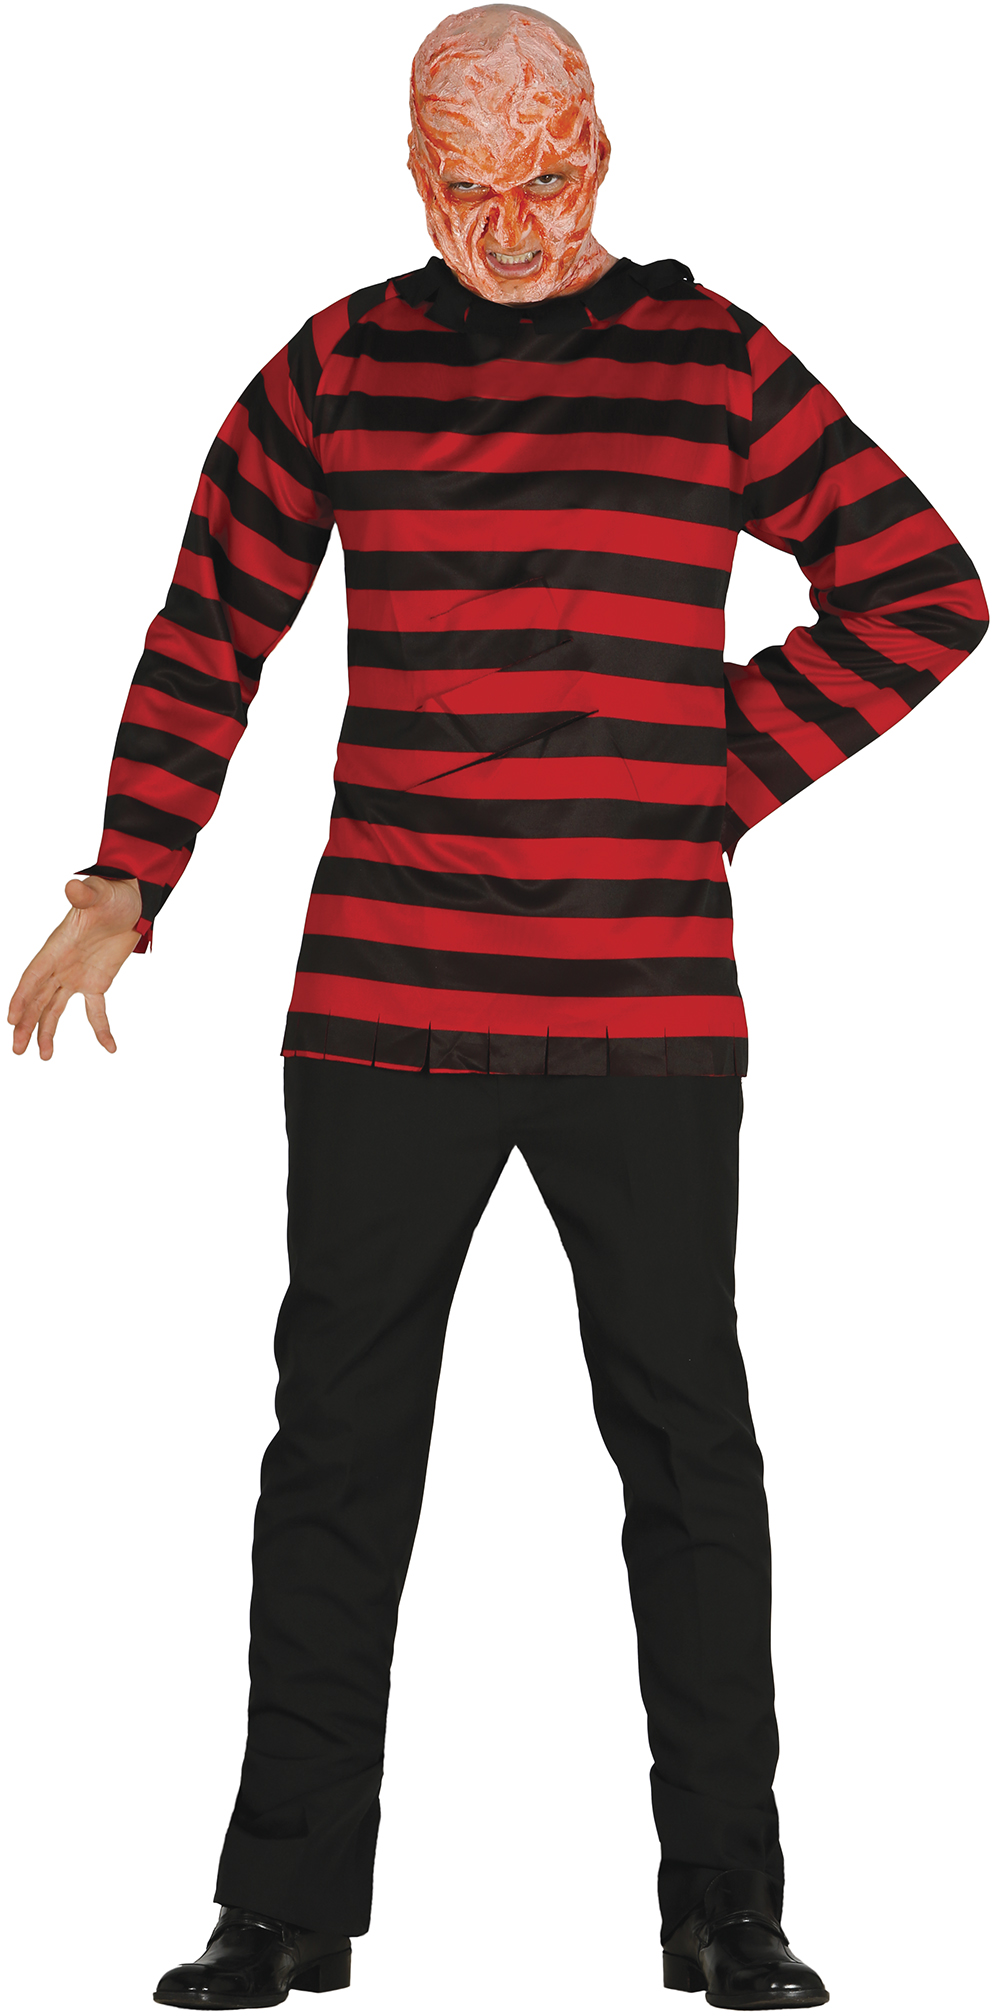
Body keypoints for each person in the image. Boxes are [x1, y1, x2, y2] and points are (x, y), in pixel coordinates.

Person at [8, 6, 987, 2009]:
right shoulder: (341, 364)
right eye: (469, 185)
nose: (513, 223)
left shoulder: (712, 359)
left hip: (645, 1005)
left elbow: (921, 589)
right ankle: (283, 1905)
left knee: (687, 1453)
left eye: (545, 176)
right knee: (336, 1455)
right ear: (412, 172)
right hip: (382, 1001)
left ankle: (726, 1902)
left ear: (602, 153)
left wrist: (705, 770)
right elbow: (214, 618)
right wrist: (126, 875)